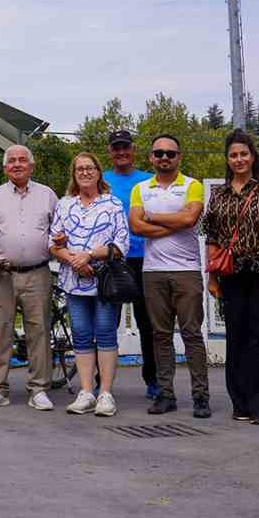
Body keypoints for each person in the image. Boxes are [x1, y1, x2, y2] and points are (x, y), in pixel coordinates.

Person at [202, 130, 259, 424]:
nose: (239, 159)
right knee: (237, 338)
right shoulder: (218, 195)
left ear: (253, 156)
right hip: (232, 273)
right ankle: (240, 403)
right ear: (227, 160)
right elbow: (212, 238)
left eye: (243, 154)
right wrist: (212, 277)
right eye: (233, 155)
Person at [128, 134, 211, 418]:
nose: (165, 158)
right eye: (159, 153)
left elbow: (190, 220)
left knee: (191, 334)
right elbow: (135, 227)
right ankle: (166, 394)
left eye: (170, 154)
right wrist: (173, 223)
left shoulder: (192, 185)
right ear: (151, 157)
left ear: (179, 157)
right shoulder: (141, 188)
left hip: (186, 270)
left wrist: (152, 218)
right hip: (152, 271)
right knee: (159, 335)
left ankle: (201, 396)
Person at [0, 144, 60, 411]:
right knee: (0, 332)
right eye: (11, 160)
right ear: (5, 167)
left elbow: (58, 232)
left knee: (39, 331)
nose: (17, 164)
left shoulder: (48, 195)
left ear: (31, 166)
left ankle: (39, 389)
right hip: (1, 274)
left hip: (38, 272)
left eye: (23, 160)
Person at [49, 152, 129, 417]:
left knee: (105, 332)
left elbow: (121, 244)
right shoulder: (64, 204)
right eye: (79, 169)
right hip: (74, 282)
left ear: (98, 172)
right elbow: (52, 243)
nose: (84, 172)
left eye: (90, 168)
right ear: (74, 174)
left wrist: (90, 256)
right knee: (81, 334)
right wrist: (74, 260)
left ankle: (105, 393)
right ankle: (86, 392)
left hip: (104, 281)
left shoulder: (112, 204)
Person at [103, 130, 159, 401]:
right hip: (111, 260)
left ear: (133, 149)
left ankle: (154, 379)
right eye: (116, 148)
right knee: (106, 323)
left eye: (125, 147)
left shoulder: (149, 181)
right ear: (110, 151)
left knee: (148, 323)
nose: (121, 152)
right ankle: (102, 381)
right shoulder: (102, 180)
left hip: (143, 258)